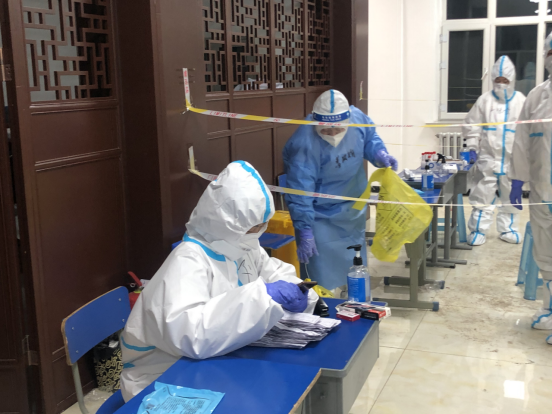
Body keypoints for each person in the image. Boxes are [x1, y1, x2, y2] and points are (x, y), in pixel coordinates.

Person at [119, 161, 319, 401]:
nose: (258, 233)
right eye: (253, 227)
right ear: (226, 223)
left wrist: (296, 289)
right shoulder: (188, 260)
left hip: (216, 360)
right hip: (163, 375)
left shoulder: (241, 244)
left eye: (261, 226)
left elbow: (272, 271)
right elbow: (191, 335)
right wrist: (262, 297)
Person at [283, 89, 397, 291]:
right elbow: (300, 190)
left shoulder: (357, 119)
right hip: (319, 217)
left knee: (355, 264)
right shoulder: (304, 143)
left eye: (338, 130)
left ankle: (353, 300)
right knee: (321, 277)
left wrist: (379, 154)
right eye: (326, 130)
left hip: (352, 209)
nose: (333, 135)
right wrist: (304, 229)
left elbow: (369, 139)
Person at [509, 32, 552, 345]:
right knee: (546, 253)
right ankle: (550, 308)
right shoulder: (536, 97)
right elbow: (523, 142)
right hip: (542, 190)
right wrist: (517, 180)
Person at [463, 55, 526, 246]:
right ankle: (477, 230)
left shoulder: (521, 101)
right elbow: (472, 125)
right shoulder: (485, 100)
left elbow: (527, 131)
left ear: (511, 80)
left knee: (510, 196)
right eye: (497, 80)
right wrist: (472, 147)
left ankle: (509, 229)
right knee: (483, 194)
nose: (501, 84)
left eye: (504, 80)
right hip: (488, 158)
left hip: (511, 161)